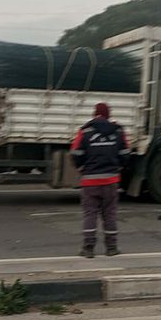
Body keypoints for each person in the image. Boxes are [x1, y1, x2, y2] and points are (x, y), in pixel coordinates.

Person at [70, 102, 130, 258]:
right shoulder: (118, 131)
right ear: (108, 114)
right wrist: (118, 167)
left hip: (90, 181)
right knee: (110, 214)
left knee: (90, 214)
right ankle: (111, 248)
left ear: (94, 114)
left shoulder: (85, 131)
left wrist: (82, 168)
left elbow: (75, 153)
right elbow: (125, 153)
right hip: (110, 180)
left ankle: (88, 249)